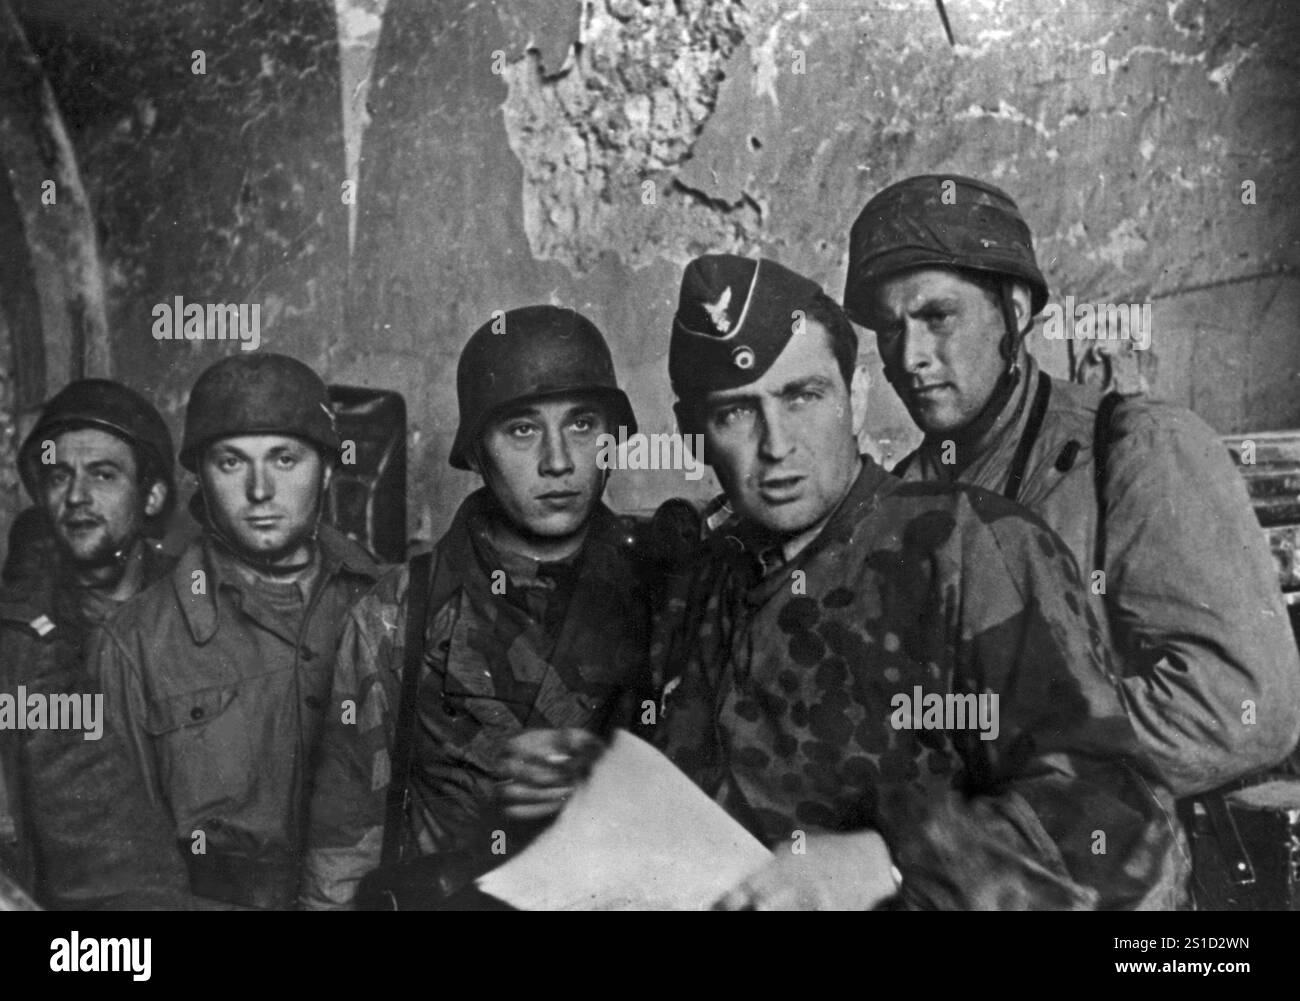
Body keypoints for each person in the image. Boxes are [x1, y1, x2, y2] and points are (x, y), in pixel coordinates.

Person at [650, 254, 1183, 909]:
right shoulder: (701, 584)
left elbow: (1119, 821)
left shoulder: (967, 545)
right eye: (736, 412)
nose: (776, 444)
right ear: (690, 432)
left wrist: (892, 860)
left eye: (802, 396)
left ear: (857, 396)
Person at [842, 174, 1300, 798]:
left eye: (937, 316)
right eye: (890, 329)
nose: (909, 356)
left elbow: (1242, 709)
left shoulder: (1137, 449)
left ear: (1016, 311)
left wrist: (997, 752)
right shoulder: (897, 501)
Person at [299, 306, 654, 909]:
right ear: (477, 453)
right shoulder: (398, 614)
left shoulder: (670, 585)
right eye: (521, 429)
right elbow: (344, 850)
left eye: (583, 423)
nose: (558, 460)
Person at [85, 353, 384, 909]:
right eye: (230, 463)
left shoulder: (388, 603)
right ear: (201, 476)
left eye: (285, 458)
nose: (260, 490)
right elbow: (122, 864)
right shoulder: (136, 643)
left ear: (327, 468)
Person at [0, 379, 187, 908]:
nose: (77, 496)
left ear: (151, 495)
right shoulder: (19, 638)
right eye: (60, 476)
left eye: (103, 475)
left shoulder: (198, 609)